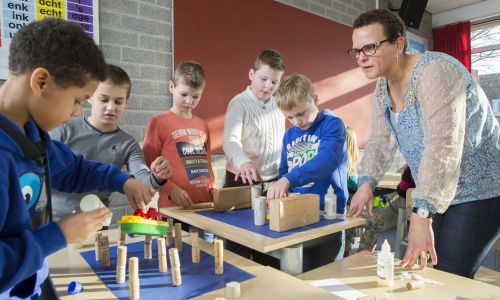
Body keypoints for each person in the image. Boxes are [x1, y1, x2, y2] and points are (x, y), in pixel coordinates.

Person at [0, 18, 155, 298]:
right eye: (77, 100)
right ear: (41, 82)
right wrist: (58, 235)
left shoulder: (34, 137)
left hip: (31, 283)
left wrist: (124, 182)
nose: (75, 113)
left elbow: (75, 171)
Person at [347, 8, 500, 278]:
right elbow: (379, 141)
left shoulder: (436, 71)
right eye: (356, 50)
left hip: (479, 188)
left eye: (370, 47)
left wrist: (422, 211)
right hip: (441, 190)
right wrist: (366, 184)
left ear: (399, 44)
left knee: (450, 273)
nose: (361, 57)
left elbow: (442, 148)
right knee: (431, 268)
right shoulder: (383, 87)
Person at [49, 64, 172, 222]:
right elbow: (42, 172)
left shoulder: (128, 144)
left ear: (126, 103)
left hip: (96, 224)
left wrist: (157, 177)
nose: (110, 107)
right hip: (56, 222)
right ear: (90, 97)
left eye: (118, 102)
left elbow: (141, 184)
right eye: (104, 99)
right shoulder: (63, 129)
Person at [267, 74, 348, 271]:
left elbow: (327, 160)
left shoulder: (332, 124)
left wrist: (288, 180)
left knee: (326, 278)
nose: (297, 121)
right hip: (299, 216)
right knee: (299, 276)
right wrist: (282, 186)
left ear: (316, 100)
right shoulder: (289, 135)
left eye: (301, 113)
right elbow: (285, 170)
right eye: (289, 117)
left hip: (328, 217)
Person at [142, 61, 215, 212]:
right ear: (171, 87)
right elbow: (148, 164)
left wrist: (213, 189)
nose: (189, 101)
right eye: (184, 94)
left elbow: (207, 164)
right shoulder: (158, 122)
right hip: (174, 209)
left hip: (205, 207)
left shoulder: (203, 125)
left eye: (196, 97)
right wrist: (170, 190)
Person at [223, 49, 286, 193]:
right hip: (242, 177)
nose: (268, 86)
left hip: (273, 179)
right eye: (263, 79)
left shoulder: (280, 105)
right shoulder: (238, 103)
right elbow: (230, 140)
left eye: (274, 82)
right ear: (251, 74)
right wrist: (244, 163)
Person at [343, 126, 384, 257]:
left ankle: (345, 252)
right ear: (352, 146)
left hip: (338, 207)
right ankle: (362, 255)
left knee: (353, 213)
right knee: (377, 221)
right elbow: (358, 188)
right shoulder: (347, 168)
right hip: (343, 209)